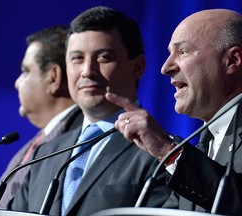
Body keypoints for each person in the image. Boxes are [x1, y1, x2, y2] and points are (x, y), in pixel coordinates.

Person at [10, 6, 171, 216]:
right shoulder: (45, 153)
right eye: (77, 58)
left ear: (138, 66)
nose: (87, 71)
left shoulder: (161, 153)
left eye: (103, 57)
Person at [106, 9, 242, 215]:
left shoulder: (186, 153)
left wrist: (167, 150)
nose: (165, 67)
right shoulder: (206, 140)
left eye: (183, 52)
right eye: (170, 53)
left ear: (232, 60)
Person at [0, 26, 83, 209]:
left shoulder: (77, 140)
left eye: (26, 71)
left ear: (53, 77)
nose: (17, 83)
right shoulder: (42, 140)